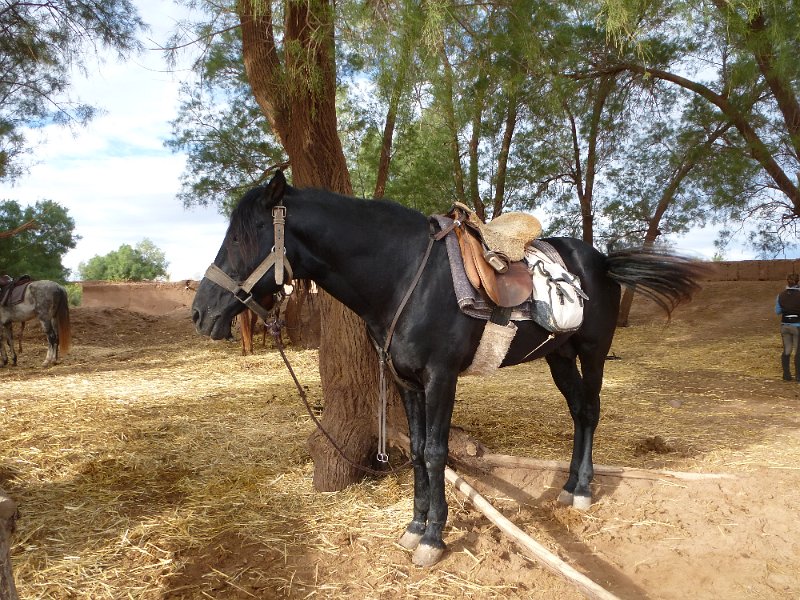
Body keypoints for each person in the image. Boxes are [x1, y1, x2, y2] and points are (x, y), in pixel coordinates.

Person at [776, 273, 800, 381]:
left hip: (785, 325)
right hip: (797, 325)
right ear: (798, 281)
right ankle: (798, 376)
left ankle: (786, 375)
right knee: (798, 351)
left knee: (787, 350)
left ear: (787, 281)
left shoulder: (780, 295)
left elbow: (777, 311)